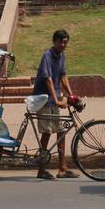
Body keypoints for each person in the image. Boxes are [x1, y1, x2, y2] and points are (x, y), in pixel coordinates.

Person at [32, 29, 78, 179]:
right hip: (44, 99)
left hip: (55, 98)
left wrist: (71, 95)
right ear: (55, 41)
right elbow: (48, 79)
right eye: (61, 42)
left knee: (60, 131)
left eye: (66, 42)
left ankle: (62, 168)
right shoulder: (47, 55)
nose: (63, 45)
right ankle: (41, 169)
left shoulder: (62, 55)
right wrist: (56, 100)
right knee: (46, 133)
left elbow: (63, 75)